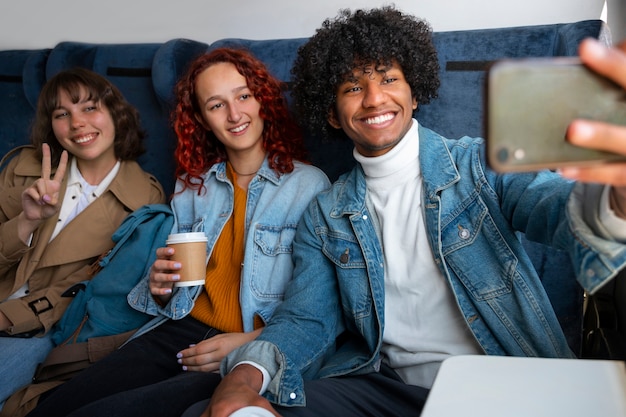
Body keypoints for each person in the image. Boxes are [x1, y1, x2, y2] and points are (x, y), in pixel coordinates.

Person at [197, 7, 626, 417]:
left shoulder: (478, 167)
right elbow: (306, 319)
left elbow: (556, 208)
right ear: (332, 113)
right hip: (391, 392)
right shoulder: (325, 215)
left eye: (389, 79)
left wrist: (617, 198)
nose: (374, 98)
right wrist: (243, 376)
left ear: (414, 92)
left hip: (503, 381)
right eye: (352, 87)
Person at [26, 47, 330, 417]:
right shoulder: (192, 187)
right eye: (216, 105)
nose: (235, 115)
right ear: (201, 119)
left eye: (244, 96)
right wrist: (159, 286)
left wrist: (252, 342)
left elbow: (317, 302)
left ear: (262, 100)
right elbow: (174, 292)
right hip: (176, 330)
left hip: (249, 346)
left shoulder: (308, 185)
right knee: (54, 408)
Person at [0, 67, 165, 409]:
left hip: (45, 327)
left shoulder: (145, 200)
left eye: (89, 108)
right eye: (63, 114)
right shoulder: (22, 166)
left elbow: (94, 288)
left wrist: (9, 317)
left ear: (115, 113)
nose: (77, 123)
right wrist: (26, 222)